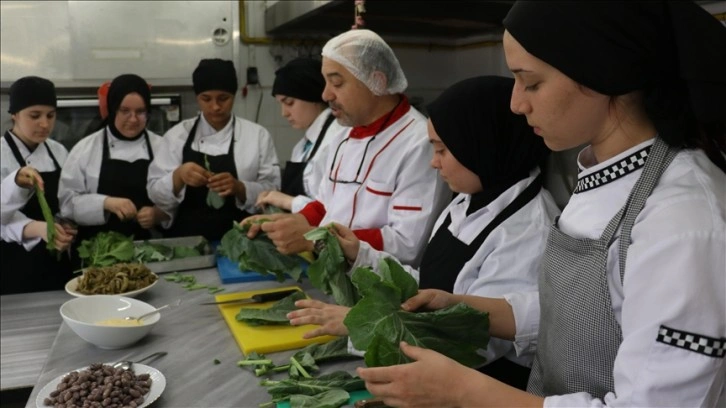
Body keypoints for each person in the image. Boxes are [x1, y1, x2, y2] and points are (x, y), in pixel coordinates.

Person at [354, 1, 726, 407]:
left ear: (601, 74)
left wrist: (462, 391)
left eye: (530, 83)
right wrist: (462, 308)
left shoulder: (682, 221)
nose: (516, 104)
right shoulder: (605, 173)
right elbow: (587, 316)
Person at [287, 76, 559, 390]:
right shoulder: (464, 204)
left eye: (442, 150)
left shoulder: (528, 232)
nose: (433, 163)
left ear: (481, 147)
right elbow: (427, 291)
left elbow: (469, 344)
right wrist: (360, 255)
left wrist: (362, 327)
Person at [246, 29, 451, 268]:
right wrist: (285, 225)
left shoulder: (419, 143)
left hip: (387, 295)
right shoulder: (342, 135)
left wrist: (317, 240)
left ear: (377, 81)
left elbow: (408, 245)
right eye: (326, 83)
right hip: (337, 277)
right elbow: (325, 205)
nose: (325, 94)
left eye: (337, 83)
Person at [147, 58, 281, 241]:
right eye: (206, 99)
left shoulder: (257, 136)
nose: (215, 106)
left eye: (223, 98)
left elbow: (273, 190)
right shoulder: (177, 136)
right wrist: (178, 176)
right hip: (187, 242)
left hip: (244, 242)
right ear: (197, 98)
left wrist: (240, 188)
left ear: (233, 95)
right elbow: (154, 192)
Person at [58, 74, 168, 245]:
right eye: (125, 111)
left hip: (149, 249)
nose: (133, 119)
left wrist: (158, 214)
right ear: (112, 109)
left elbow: (178, 198)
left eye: (140, 112)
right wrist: (105, 203)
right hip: (97, 251)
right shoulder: (85, 148)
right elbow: (67, 204)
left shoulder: (163, 147)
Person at [0, 76, 77, 294]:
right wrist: (37, 228)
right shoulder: (1, 154)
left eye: (50, 115)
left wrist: (64, 223)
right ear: (14, 115)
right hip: (13, 265)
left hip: (56, 261)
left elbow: (65, 200)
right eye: (35, 116)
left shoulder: (58, 151)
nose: (45, 124)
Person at [256, 57, 346, 213]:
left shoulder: (337, 137)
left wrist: (288, 201)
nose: (284, 113)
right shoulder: (303, 146)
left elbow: (336, 209)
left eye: (289, 102)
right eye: (281, 104)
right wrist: (275, 198)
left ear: (312, 97)